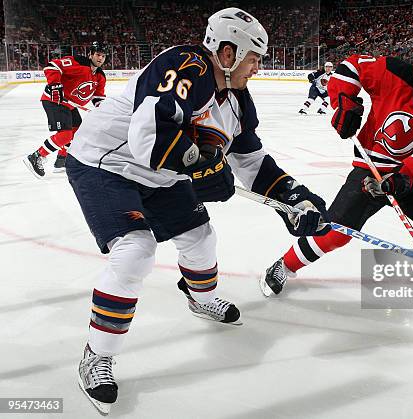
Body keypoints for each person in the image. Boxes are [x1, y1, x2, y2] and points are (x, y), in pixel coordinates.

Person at [66, 8, 329, 414]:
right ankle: (96, 354)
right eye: (253, 58)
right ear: (227, 52)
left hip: (159, 176)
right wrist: (203, 166)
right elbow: (147, 137)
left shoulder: (237, 100)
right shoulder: (185, 65)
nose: (258, 68)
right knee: (136, 250)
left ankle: (198, 296)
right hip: (106, 164)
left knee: (201, 238)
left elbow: (252, 163)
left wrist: (295, 198)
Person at [263, 39, 413, 325]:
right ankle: (284, 266)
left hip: (409, 178)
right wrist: (345, 103)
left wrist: (402, 179)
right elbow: (349, 67)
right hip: (369, 170)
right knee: (336, 232)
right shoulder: (391, 71)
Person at [23, 42, 107, 178]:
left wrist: (102, 108)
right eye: (98, 54)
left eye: (103, 56)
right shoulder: (78, 63)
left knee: (76, 132)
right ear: (90, 54)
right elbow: (53, 66)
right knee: (65, 135)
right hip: (55, 101)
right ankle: (36, 156)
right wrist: (55, 85)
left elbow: (98, 97)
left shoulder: (100, 76)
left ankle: (61, 161)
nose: (100, 58)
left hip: (70, 105)